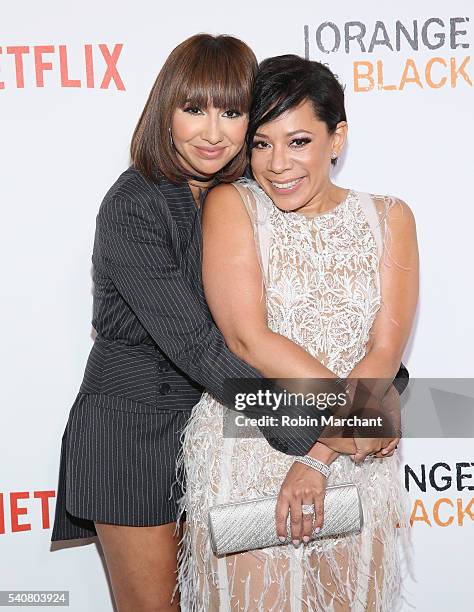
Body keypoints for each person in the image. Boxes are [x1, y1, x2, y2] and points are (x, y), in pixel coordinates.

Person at [50, 33, 407, 611]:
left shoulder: (249, 195)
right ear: (164, 110)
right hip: (133, 436)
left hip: (216, 431)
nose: (213, 132)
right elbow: (206, 347)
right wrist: (325, 428)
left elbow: (309, 315)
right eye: (193, 109)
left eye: (231, 111)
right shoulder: (134, 204)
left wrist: (383, 391)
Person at [177, 55, 419, 611]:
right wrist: (353, 423)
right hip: (253, 449)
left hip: (354, 460)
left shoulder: (390, 217)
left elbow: (384, 350)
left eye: (299, 141)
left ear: (338, 139)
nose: (277, 165)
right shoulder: (231, 204)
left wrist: (318, 458)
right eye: (261, 144)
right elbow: (248, 339)